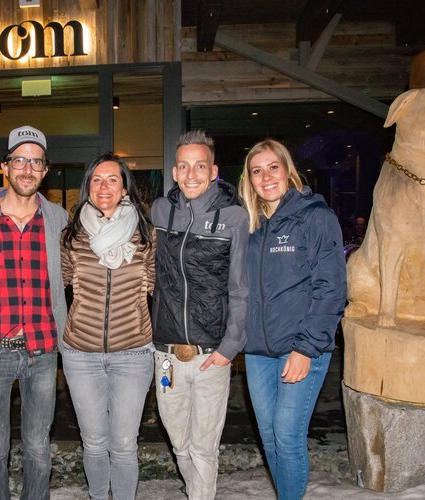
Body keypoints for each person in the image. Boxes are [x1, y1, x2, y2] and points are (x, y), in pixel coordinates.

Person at [238, 139, 347, 500]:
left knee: (287, 434)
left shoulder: (315, 216)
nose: (266, 177)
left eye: (273, 167)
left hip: (301, 347)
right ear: (249, 180)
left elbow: (332, 288)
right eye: (257, 171)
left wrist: (305, 349)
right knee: (269, 437)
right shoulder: (251, 226)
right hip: (258, 351)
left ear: (288, 170)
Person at [0, 125, 68, 500]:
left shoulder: (58, 220)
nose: (28, 169)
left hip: (43, 348)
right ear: (5, 166)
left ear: (45, 170)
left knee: (38, 448)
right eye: (20, 160)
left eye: (36, 162)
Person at [151, 130, 249, 500]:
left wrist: (229, 348)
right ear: (175, 172)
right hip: (166, 356)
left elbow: (240, 287)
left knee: (204, 447)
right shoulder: (160, 212)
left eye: (200, 166)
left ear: (213, 171)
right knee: (179, 443)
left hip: (212, 355)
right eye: (184, 166)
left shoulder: (234, 217)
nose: (191, 174)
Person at [60, 153, 155, 500]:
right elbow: (64, 283)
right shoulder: (72, 236)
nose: (104, 186)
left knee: (125, 443)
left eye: (113, 179)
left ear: (125, 187)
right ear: (88, 187)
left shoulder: (145, 235)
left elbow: (153, 285)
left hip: (133, 353)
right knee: (94, 442)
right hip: (80, 355)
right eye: (97, 179)